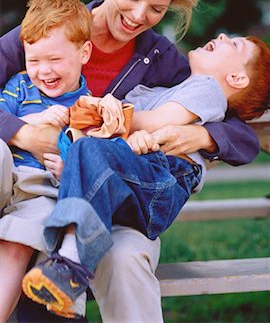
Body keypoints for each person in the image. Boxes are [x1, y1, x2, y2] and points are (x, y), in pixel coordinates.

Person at [0, 0, 259, 323]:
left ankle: (67, 266)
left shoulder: (162, 60)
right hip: (24, 182)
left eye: (156, 9)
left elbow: (241, 127)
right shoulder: (51, 28)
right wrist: (24, 133)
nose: (140, 16)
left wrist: (203, 134)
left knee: (122, 253)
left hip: (96, 195)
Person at [21, 32, 270, 319]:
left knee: (89, 150)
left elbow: (154, 123)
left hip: (161, 179)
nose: (224, 35)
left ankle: (71, 261)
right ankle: (66, 271)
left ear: (237, 79)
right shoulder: (159, 90)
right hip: (132, 186)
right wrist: (83, 164)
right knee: (86, 151)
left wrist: (102, 110)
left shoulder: (208, 89)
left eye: (235, 44)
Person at [0, 0, 93, 322]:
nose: (43, 71)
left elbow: (91, 156)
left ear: (85, 52)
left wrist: (67, 168)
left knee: (22, 242)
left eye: (54, 60)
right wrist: (30, 122)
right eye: (34, 60)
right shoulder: (19, 86)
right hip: (5, 175)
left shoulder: (88, 105)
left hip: (39, 190)